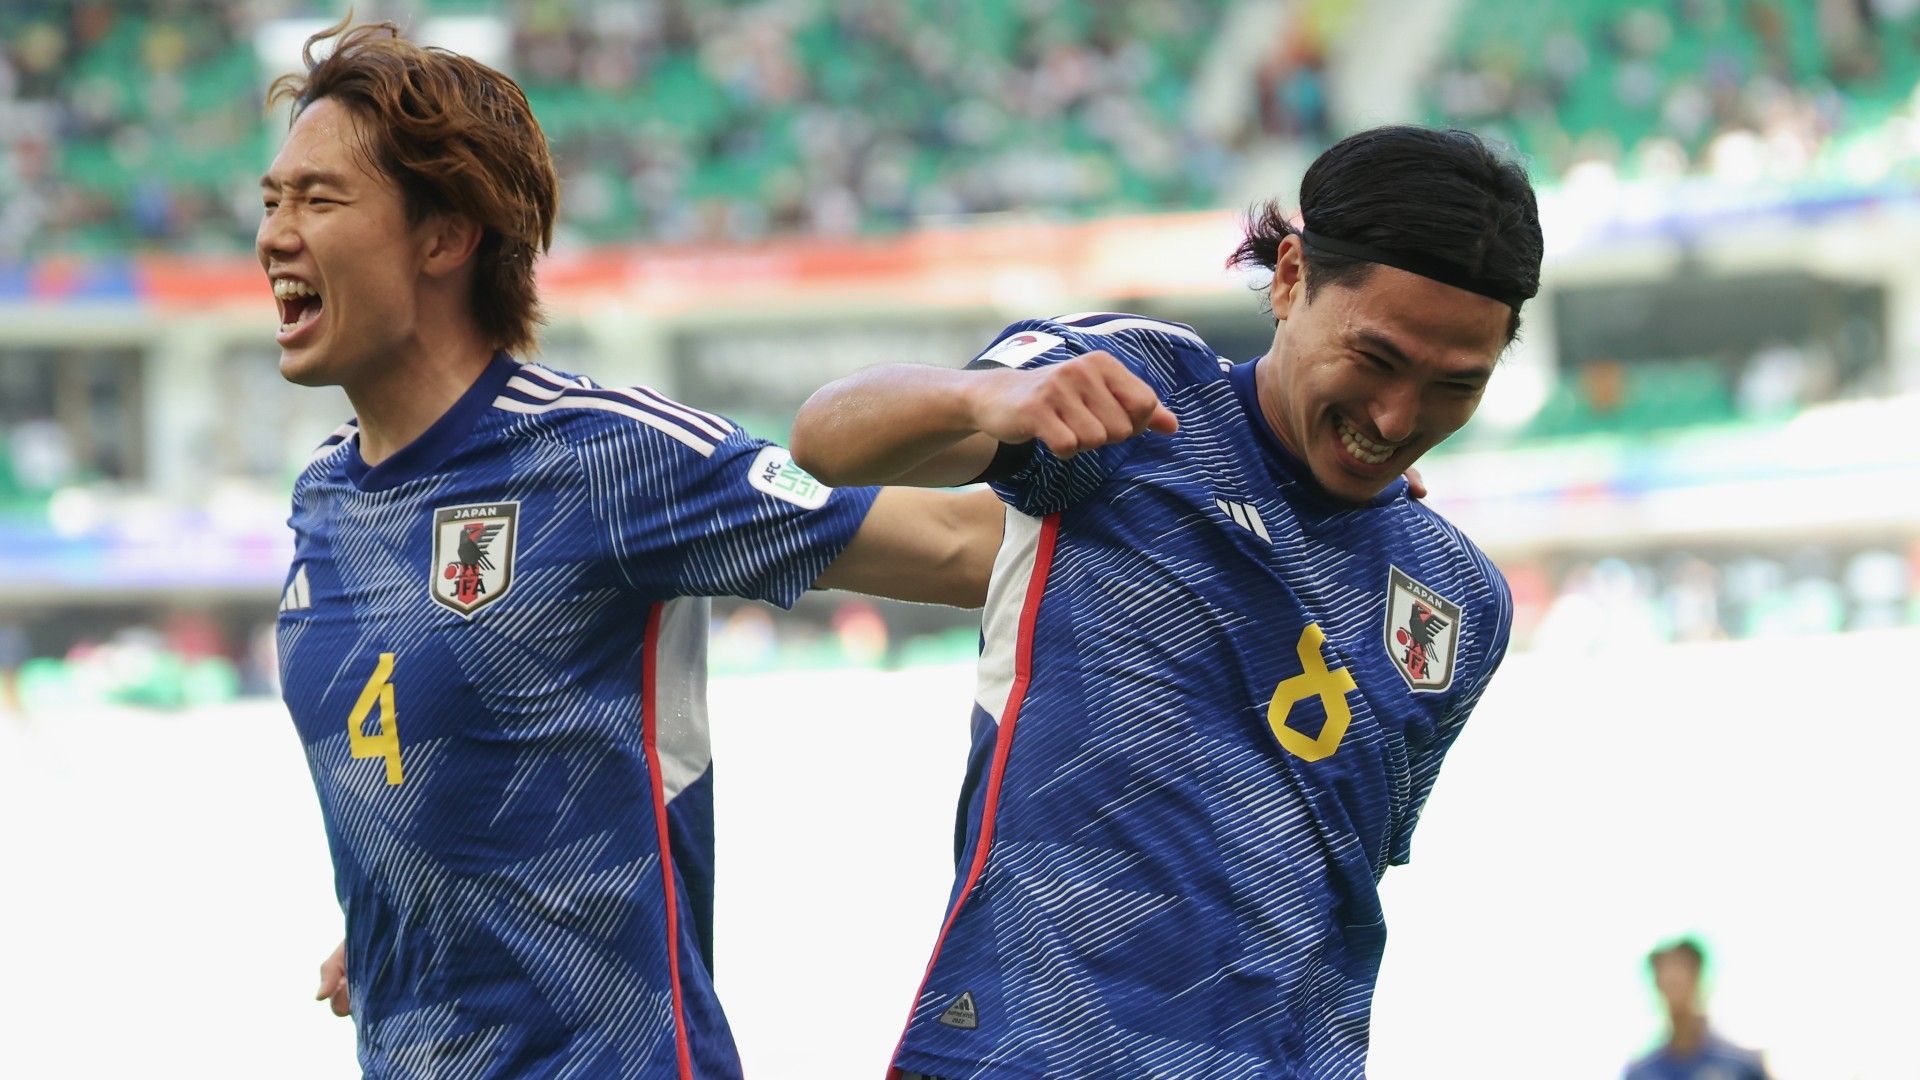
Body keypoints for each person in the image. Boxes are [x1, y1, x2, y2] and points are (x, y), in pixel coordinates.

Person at [261, 20, 998, 1079]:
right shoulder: (323, 498)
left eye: (319, 200)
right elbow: (440, 772)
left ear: (445, 237)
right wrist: (412, 914)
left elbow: (961, 550)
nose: (276, 236)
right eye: (272, 202)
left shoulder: (606, 456)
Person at [791, 124, 1543, 1079]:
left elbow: (1337, 877)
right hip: (1022, 1055)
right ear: (1290, 278)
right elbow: (829, 442)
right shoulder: (1136, 395)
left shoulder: (1460, 601)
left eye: (1454, 386)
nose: (1397, 419)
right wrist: (979, 401)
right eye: (1377, 359)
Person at [1624, 939, 1772, 1080]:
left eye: (1679, 978)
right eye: (1665, 979)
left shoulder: (1742, 1065)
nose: (1674, 989)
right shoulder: (1642, 1073)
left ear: (1698, 978)